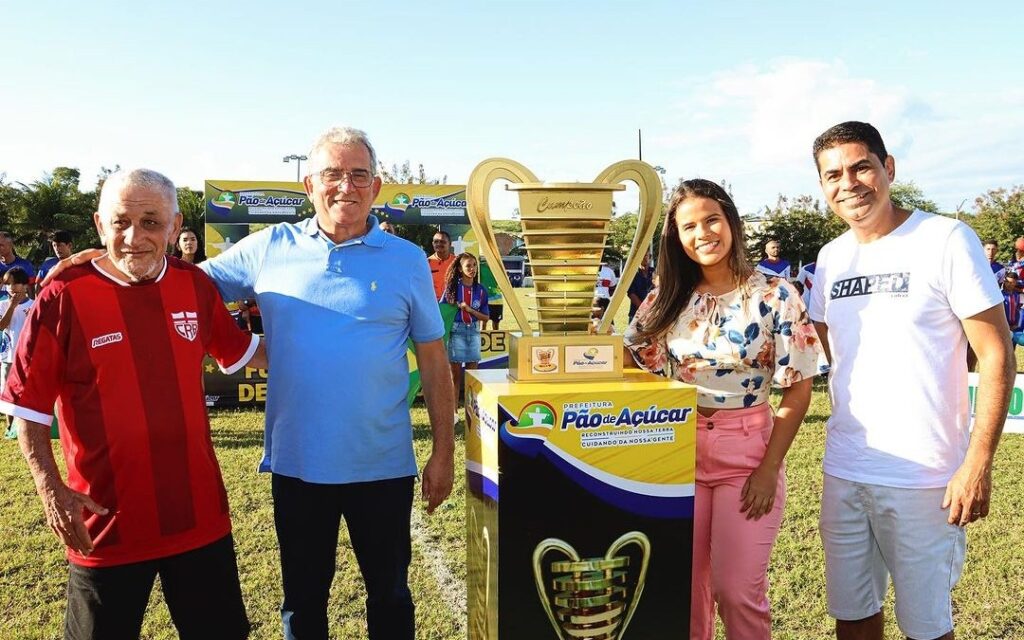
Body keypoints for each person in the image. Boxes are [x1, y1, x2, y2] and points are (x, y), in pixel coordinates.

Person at [199, 127, 454, 640]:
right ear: (310, 184)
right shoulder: (270, 247)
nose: (346, 186)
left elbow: (432, 357)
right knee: (303, 601)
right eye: (332, 174)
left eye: (358, 174)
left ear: (376, 186)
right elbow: (185, 287)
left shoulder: (405, 260)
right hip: (299, 465)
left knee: (390, 596)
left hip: (382, 466)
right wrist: (102, 260)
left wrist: (443, 451)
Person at [0, 168, 264, 640]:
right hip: (104, 524)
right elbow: (29, 408)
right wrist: (50, 489)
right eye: (120, 222)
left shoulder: (194, 285)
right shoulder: (63, 294)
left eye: (150, 222)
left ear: (173, 223)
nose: (134, 237)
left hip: (198, 517)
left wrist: (359, 339)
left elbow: (246, 353)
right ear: (99, 226)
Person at [808, 121, 1014, 640]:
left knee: (926, 628)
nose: (848, 183)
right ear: (823, 186)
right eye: (833, 174)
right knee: (852, 616)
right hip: (846, 467)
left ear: (888, 168)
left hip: (927, 477)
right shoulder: (832, 258)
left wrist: (977, 462)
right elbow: (832, 345)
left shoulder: (944, 238)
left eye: (861, 167)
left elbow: (996, 354)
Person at [624, 179, 827, 639]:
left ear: (731, 221)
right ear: (676, 237)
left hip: (747, 452)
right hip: (676, 450)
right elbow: (629, 360)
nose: (703, 233)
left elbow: (798, 390)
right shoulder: (666, 297)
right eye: (688, 226)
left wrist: (768, 469)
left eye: (711, 219)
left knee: (737, 590)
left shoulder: (776, 295)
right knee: (685, 590)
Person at [442, 252, 489, 406]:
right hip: (456, 332)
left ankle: (472, 409)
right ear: (460, 269)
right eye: (468, 266)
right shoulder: (453, 288)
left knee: (473, 375)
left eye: (474, 265)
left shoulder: (481, 290)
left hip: (474, 331)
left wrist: (469, 310)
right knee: (454, 376)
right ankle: (453, 410)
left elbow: (485, 317)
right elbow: (442, 309)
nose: (472, 268)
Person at [0, 266, 32, 437]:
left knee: (27, 390)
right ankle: (9, 426)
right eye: (8, 284)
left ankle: (26, 425)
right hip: (8, 356)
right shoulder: (3, 305)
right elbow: (1, 325)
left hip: (27, 357)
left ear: (25, 286)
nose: (11, 288)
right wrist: (11, 307)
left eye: (15, 284)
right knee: (7, 390)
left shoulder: (33, 305)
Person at [428, 230, 456, 300]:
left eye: (442, 242)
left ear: (450, 244)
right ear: (432, 244)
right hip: (434, 304)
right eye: (436, 241)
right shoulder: (426, 263)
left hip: (453, 304)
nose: (439, 244)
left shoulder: (457, 261)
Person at [627, 252, 654, 321]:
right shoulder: (632, 273)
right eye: (641, 255)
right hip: (636, 314)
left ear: (650, 257)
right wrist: (644, 309)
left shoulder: (655, 272)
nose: (643, 258)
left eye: (646, 255)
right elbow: (631, 294)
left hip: (652, 314)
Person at [1001, 271, 1024, 347]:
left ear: (1015, 283)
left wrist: (1017, 324)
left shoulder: (1017, 296)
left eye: (1012, 282)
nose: (1009, 284)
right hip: (1003, 327)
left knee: (1012, 348)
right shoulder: (1000, 295)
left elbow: (1019, 310)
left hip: (1014, 327)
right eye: (1007, 282)